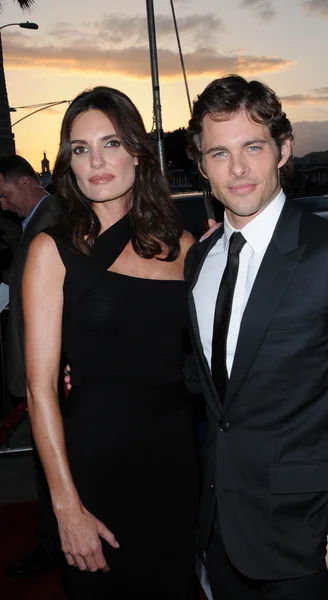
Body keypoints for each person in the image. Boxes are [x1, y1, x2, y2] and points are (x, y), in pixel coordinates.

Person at [183, 74, 328, 600]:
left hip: (307, 547)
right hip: (220, 534)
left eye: (252, 147)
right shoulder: (200, 261)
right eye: (219, 153)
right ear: (202, 165)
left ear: (283, 149)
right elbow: (211, 387)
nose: (236, 169)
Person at [22, 86, 199, 599]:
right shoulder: (51, 251)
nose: (96, 160)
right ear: (68, 162)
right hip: (94, 469)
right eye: (80, 148)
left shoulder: (183, 246)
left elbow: (207, 357)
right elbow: (39, 391)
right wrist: (66, 508)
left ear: (139, 153)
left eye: (111, 143)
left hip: (174, 464)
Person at [0, 155, 62, 577]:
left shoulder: (55, 219)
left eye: (4, 195)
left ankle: (54, 547)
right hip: (35, 366)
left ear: (26, 181)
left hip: (50, 372)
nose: (3, 205)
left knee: (54, 463)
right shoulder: (33, 223)